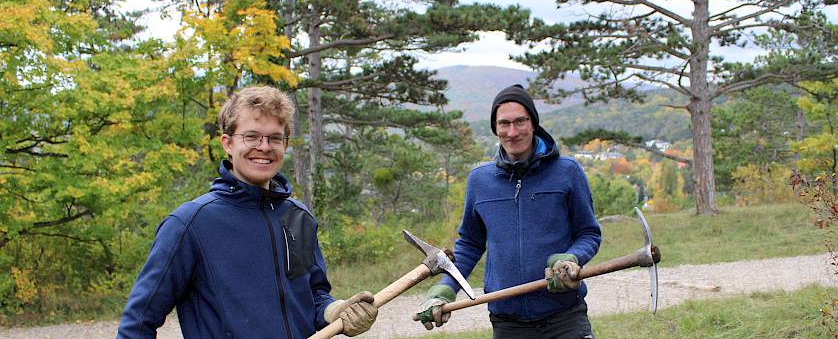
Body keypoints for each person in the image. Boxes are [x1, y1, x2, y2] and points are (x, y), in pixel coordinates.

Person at [117, 86, 378, 338]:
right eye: (251, 136)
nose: (264, 147)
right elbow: (139, 321)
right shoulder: (190, 224)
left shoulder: (298, 217)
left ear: (285, 144)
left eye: (274, 138)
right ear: (228, 144)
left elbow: (312, 295)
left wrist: (335, 311)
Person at [416, 84, 602, 338]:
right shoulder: (480, 180)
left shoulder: (567, 172)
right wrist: (446, 289)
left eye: (520, 122)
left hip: (565, 316)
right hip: (508, 323)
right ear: (495, 128)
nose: (512, 132)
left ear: (533, 124)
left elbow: (589, 233)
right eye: (504, 124)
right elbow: (470, 244)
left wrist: (571, 258)